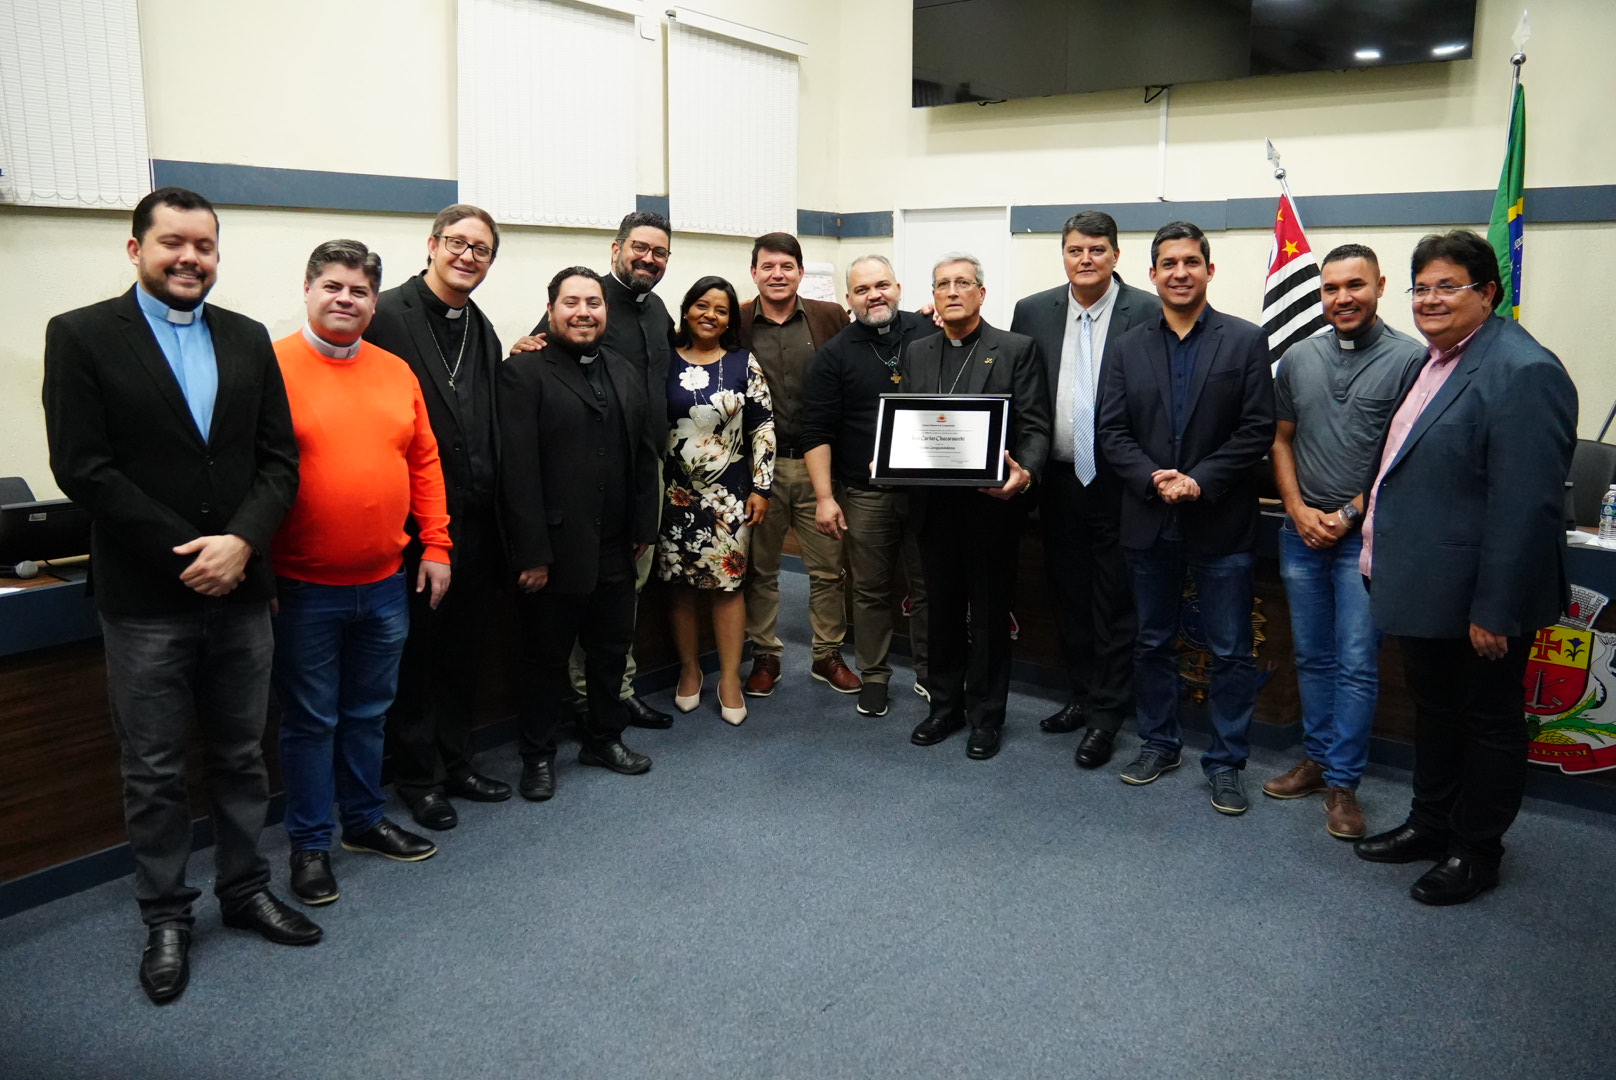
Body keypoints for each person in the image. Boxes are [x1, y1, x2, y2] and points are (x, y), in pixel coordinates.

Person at [43, 186, 320, 1005]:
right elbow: (83, 467)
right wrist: (189, 554)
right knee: (155, 768)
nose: (189, 257)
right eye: (172, 242)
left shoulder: (246, 337)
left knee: (241, 754)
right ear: (137, 249)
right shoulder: (82, 335)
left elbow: (279, 462)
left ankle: (244, 889)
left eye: (203, 245)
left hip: (242, 591)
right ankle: (166, 916)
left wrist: (242, 543)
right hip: (146, 600)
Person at [1353, 230, 1576, 905]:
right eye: (1421, 287)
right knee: (1437, 713)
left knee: (1487, 723)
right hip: (1426, 586)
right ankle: (1432, 824)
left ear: (1488, 293)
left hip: (1480, 601)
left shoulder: (1523, 370)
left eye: (1448, 286)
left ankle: (1477, 852)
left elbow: (1526, 507)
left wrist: (1495, 609)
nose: (1429, 300)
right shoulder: (1434, 361)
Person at [270, 240, 450, 907]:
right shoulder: (270, 368)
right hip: (302, 587)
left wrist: (437, 545)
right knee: (310, 721)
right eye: (333, 286)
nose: (346, 299)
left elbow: (424, 462)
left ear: (375, 303)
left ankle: (364, 821)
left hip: (384, 583)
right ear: (308, 289)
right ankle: (310, 846)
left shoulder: (396, 372)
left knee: (370, 713)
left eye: (360, 291)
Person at [1096, 221, 1275, 815]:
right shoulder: (1127, 347)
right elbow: (1111, 430)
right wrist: (1154, 477)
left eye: (1191, 262)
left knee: (1230, 651)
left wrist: (1200, 479)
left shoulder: (1244, 340)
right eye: (1168, 263)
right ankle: (1159, 743)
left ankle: (1226, 763)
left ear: (1209, 270)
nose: (1180, 272)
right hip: (1149, 517)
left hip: (1219, 519)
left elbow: (1257, 429)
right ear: (1151, 274)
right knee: (1151, 642)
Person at [1265, 244, 1426, 839]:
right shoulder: (1298, 357)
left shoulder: (1412, 360)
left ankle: (1343, 783)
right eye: (1331, 288)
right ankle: (1316, 761)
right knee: (1311, 655)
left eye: (1355, 285)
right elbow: (1280, 439)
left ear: (1380, 286)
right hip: (1300, 533)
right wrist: (1297, 508)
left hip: (1368, 539)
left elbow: (1407, 452)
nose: (1343, 298)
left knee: (1357, 662)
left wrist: (1351, 511)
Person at [365, 203, 512, 833]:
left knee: (462, 652)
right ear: (431, 245)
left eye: (481, 249)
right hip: (413, 528)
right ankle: (418, 778)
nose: (467, 257)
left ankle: (457, 762)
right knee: (417, 658)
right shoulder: (384, 316)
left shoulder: (481, 325)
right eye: (457, 243)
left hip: (475, 523)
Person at [499, 268, 662, 800]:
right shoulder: (523, 372)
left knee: (610, 651)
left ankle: (604, 738)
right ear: (551, 310)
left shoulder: (623, 369)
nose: (584, 312)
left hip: (617, 542)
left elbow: (643, 454)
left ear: (605, 310)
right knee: (545, 660)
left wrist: (643, 525)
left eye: (594, 302)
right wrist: (531, 553)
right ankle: (538, 755)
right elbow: (516, 471)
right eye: (571, 302)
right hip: (553, 549)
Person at [510, 211, 676, 731]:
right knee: (585, 598)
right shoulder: (585, 300)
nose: (648, 259)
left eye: (659, 252)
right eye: (640, 248)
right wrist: (522, 343)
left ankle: (617, 691)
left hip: (640, 469)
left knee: (624, 596)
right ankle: (595, 699)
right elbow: (541, 354)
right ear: (616, 249)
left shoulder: (657, 309)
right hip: (582, 482)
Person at [1010, 210, 1159, 768]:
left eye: (1097, 249)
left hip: (1120, 483)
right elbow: (1020, 392)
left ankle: (1107, 714)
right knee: (1069, 595)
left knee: (1114, 601)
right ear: (1064, 255)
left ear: (1116, 255)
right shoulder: (1032, 310)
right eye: (1076, 250)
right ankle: (1082, 694)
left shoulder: (1148, 310)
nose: (1086, 259)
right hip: (1058, 480)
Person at [905, 253, 1050, 760]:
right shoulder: (917, 350)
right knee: (940, 611)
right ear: (933, 295)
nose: (952, 291)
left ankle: (986, 716)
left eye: (962, 282)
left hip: (991, 507)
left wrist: (1025, 472)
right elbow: (907, 422)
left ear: (981, 293)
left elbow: (1035, 425)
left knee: (988, 615)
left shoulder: (1014, 349)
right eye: (942, 283)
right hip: (932, 507)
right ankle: (944, 707)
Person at [800, 254, 936, 718]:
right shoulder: (834, 354)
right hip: (866, 494)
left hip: (927, 492)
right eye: (862, 289)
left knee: (928, 586)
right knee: (870, 590)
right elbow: (816, 431)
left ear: (898, 287)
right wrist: (824, 498)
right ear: (848, 299)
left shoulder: (931, 331)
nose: (874, 295)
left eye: (881, 285)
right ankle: (875, 675)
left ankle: (931, 672)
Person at [737, 232, 859, 698]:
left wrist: (928, 317)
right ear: (754, 273)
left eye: (787, 266)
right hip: (757, 471)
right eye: (767, 266)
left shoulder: (830, 317)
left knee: (828, 569)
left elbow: (874, 339)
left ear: (801, 272)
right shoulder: (737, 319)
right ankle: (765, 654)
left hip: (818, 467)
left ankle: (827, 654)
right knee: (761, 570)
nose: (777, 274)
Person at [658, 276, 776, 725]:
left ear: (730, 321)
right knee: (680, 586)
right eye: (702, 305)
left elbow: (763, 426)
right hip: (673, 494)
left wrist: (762, 487)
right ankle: (690, 670)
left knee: (728, 587)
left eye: (721, 310)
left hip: (730, 497)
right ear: (687, 310)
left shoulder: (744, 362)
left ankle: (728, 677)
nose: (710, 315)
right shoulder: (664, 359)